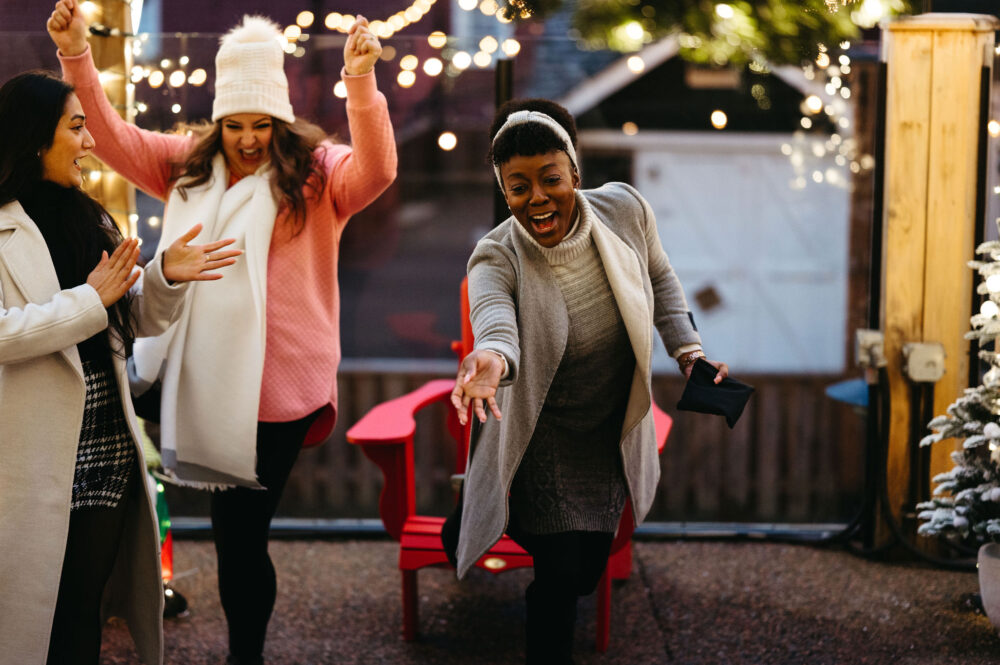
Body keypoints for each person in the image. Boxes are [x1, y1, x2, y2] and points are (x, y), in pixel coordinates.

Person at [48, 3, 397, 663]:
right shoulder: (190, 163)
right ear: (218, 120)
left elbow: (377, 173)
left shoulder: (318, 172)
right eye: (234, 124)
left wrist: (360, 82)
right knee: (232, 531)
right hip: (195, 377)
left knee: (241, 534)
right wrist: (76, 54)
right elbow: (116, 138)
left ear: (281, 119)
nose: (246, 139)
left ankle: (246, 653)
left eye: (261, 124)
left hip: (283, 392)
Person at [449, 98, 729, 664]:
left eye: (550, 179)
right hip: (543, 432)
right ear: (505, 192)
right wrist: (493, 358)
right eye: (518, 187)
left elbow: (660, 278)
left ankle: (465, 516)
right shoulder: (495, 255)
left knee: (584, 570)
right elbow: (495, 322)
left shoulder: (626, 209)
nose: (537, 198)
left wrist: (689, 351)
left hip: (607, 428)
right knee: (559, 577)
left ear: (575, 172)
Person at [0, 70, 240, 665]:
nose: (89, 143)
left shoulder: (89, 218)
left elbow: (127, 319)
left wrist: (162, 278)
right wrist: (89, 300)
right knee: (29, 611)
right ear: (34, 138)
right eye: (76, 127)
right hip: (29, 458)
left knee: (83, 605)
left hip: (105, 443)